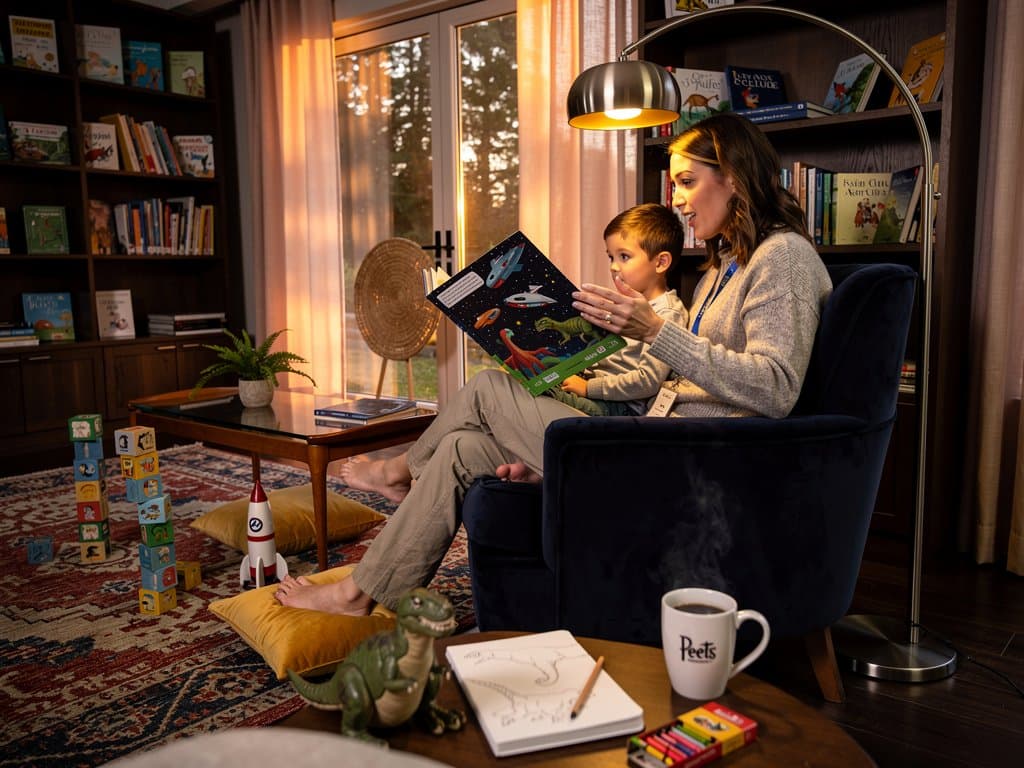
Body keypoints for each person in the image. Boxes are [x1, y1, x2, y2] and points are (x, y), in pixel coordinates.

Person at [275, 112, 832, 616]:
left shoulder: (783, 258)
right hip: (652, 439)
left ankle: (399, 469)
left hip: (682, 465)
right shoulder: (724, 267)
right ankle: (359, 595)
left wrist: (655, 333)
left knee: (491, 387)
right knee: (462, 448)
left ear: (733, 175)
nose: (679, 199)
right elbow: (695, 372)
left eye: (687, 180)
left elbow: (776, 387)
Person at [546, 203, 687, 417]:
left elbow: (648, 381)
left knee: (531, 393)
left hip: (620, 407)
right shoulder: (623, 306)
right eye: (611, 257)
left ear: (660, 263)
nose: (613, 266)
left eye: (624, 256)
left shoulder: (667, 314)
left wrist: (588, 388)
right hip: (592, 390)